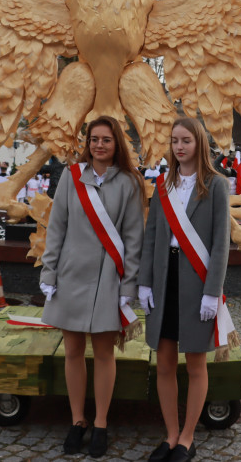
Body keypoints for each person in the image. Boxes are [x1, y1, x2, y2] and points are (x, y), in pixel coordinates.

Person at [39, 116, 145, 457]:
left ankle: (100, 423)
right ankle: (77, 420)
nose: (99, 145)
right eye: (94, 139)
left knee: (103, 353)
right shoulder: (71, 178)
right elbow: (56, 229)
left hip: (107, 280)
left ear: (117, 144)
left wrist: (128, 284)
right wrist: (49, 274)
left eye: (106, 140)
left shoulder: (130, 182)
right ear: (88, 143)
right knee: (71, 352)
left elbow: (133, 238)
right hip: (70, 275)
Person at [139, 116, 233, 462]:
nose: (179, 147)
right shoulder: (163, 185)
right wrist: (145, 281)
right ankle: (170, 435)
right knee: (164, 362)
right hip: (165, 280)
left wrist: (213, 291)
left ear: (199, 144)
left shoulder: (216, 185)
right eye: (175, 141)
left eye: (186, 141)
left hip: (196, 282)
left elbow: (221, 243)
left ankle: (188, 439)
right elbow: (151, 238)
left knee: (195, 363)